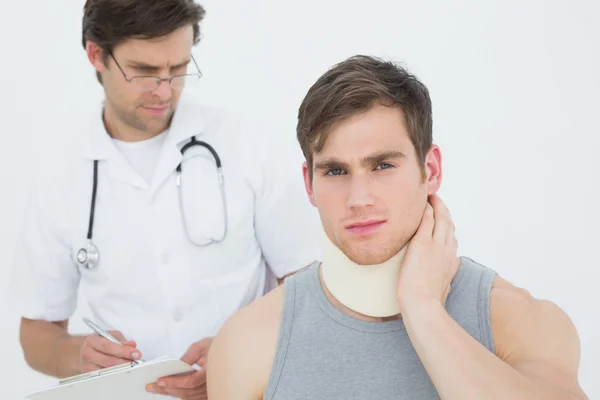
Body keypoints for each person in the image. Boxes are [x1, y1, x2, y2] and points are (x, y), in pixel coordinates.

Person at [205, 55, 589, 400]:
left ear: (431, 169)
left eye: (383, 165)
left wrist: (423, 310)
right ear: (309, 184)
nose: (358, 198)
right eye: (336, 171)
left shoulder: (517, 320)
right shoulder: (249, 341)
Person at [9, 1, 321, 399]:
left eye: (178, 69)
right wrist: (78, 354)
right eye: (144, 72)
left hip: (250, 389)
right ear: (96, 55)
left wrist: (242, 350)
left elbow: (308, 285)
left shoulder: (246, 144)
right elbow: (36, 335)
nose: (164, 90)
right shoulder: (60, 180)